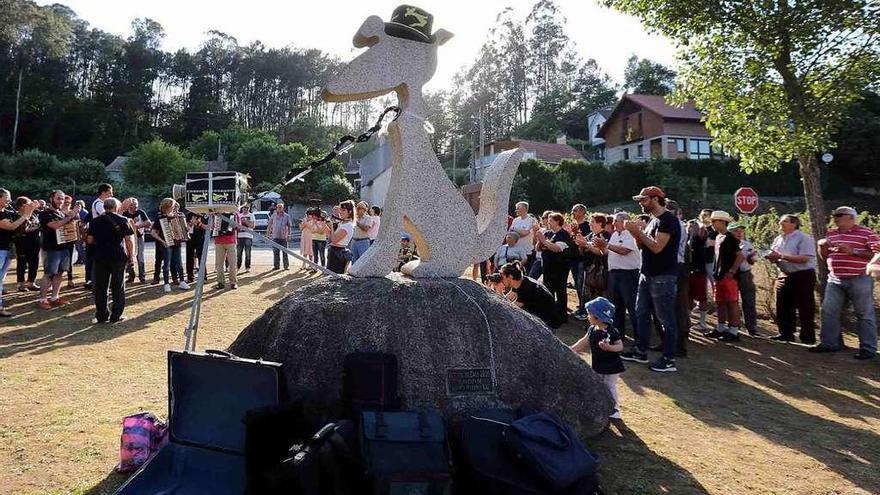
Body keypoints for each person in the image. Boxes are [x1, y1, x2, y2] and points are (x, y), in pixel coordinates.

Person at [621, 186, 681, 373]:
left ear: (655, 199)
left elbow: (657, 248)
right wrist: (635, 233)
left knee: (665, 319)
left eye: (644, 200)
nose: (640, 203)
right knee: (641, 314)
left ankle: (669, 358)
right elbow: (643, 246)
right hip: (647, 274)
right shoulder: (653, 221)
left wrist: (637, 233)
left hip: (663, 275)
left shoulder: (668, 220)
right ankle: (640, 350)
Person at [811, 206, 879, 359]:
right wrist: (821, 247)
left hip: (859, 277)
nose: (836, 217)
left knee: (864, 313)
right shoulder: (831, 233)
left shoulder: (866, 233)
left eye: (840, 215)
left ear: (851, 218)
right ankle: (829, 343)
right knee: (828, 311)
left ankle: (868, 349)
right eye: (834, 215)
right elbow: (825, 257)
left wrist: (853, 251)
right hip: (835, 278)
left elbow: (877, 253)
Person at [570, 297, 625, 419]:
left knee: (610, 386)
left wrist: (609, 348)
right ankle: (599, 404)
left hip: (612, 366)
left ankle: (614, 409)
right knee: (598, 384)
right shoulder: (592, 329)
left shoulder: (611, 332)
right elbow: (583, 342)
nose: (588, 316)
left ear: (598, 317)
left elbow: (620, 346)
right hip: (598, 365)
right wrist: (570, 349)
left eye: (590, 314)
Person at [766, 214, 817, 344]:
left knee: (805, 306)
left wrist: (781, 256)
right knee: (782, 305)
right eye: (780, 221)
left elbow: (805, 258)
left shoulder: (804, 238)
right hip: (784, 274)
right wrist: (772, 257)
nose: (780, 224)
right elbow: (776, 254)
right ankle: (785, 333)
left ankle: (807, 337)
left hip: (802, 275)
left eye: (784, 222)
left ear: (794, 224)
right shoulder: (778, 239)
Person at [594, 212, 640, 341]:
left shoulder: (631, 235)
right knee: (616, 306)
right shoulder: (615, 234)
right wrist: (601, 247)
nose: (613, 223)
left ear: (625, 222)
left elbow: (625, 251)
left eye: (616, 221)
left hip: (628, 275)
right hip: (614, 274)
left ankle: (639, 338)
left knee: (631, 307)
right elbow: (608, 252)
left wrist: (606, 244)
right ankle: (618, 335)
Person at [88, 197, 134, 324]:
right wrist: (131, 256)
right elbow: (128, 240)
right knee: (118, 286)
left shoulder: (95, 221)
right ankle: (116, 315)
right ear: (116, 207)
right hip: (117, 256)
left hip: (100, 256)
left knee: (101, 287)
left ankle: (101, 315)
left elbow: (90, 240)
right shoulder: (122, 220)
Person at [37, 190, 80, 309]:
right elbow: (55, 226)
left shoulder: (61, 213)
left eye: (62, 199)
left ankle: (55, 297)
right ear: (51, 199)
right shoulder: (45, 213)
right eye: (58, 198)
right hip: (52, 249)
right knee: (48, 274)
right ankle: (43, 299)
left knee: (60, 273)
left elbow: (69, 225)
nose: (61, 201)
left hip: (64, 248)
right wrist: (70, 216)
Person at [705, 211, 744, 342]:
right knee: (720, 302)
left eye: (714, 221)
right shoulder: (718, 237)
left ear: (722, 222)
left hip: (728, 276)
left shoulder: (730, 238)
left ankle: (733, 331)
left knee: (732, 302)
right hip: (719, 274)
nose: (712, 224)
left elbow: (740, 255)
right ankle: (721, 327)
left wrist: (732, 271)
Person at [0, 190, 38, 317]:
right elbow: (11, 227)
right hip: (1, 250)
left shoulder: (7, 212)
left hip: (7, 249)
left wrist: (30, 211)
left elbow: (23, 227)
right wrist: (26, 214)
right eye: (7, 198)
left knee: (1, 279)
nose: (10, 200)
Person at [534, 212, 572, 325]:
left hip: (559, 268)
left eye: (551, 220)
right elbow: (538, 248)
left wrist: (544, 241)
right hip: (547, 267)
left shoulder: (563, 234)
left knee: (560, 292)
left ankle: (561, 316)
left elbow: (557, 249)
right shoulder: (548, 233)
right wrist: (539, 241)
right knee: (548, 291)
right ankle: (550, 314)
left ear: (557, 222)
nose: (548, 222)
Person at [499, 260, 562, 328]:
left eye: (502, 277)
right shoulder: (521, 281)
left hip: (547, 324)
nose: (501, 279)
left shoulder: (527, 289)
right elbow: (506, 300)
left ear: (510, 276)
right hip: (542, 319)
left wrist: (498, 290)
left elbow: (510, 308)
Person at [152, 198, 189, 293]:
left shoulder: (178, 216)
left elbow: (185, 230)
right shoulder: (160, 218)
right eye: (172, 206)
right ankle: (166, 284)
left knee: (179, 263)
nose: (174, 207)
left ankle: (182, 281)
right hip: (166, 243)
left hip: (177, 243)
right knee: (167, 264)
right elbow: (153, 233)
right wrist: (162, 241)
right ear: (167, 207)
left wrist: (187, 228)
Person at [729, 223, 759, 337]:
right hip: (732, 275)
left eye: (741, 231)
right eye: (736, 231)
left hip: (745, 275)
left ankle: (752, 327)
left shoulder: (747, 244)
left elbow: (754, 259)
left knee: (749, 301)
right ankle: (734, 325)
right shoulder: (726, 244)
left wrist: (751, 257)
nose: (739, 233)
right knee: (732, 301)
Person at [84, 183, 114, 291]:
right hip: (99, 237)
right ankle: (95, 284)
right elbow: (108, 216)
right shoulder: (99, 204)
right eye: (110, 192)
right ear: (104, 192)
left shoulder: (100, 203)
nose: (112, 195)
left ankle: (97, 283)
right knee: (98, 261)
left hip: (101, 236)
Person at [13, 196, 41, 292]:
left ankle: (31, 283)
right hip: (22, 243)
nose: (31, 205)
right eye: (28, 203)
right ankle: (21, 284)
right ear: (21, 206)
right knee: (22, 264)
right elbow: (22, 229)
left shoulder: (34, 214)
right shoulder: (16, 216)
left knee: (34, 263)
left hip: (35, 243)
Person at [567, 204, 590, 320]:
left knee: (581, 284)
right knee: (577, 283)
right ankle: (581, 305)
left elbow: (584, 241)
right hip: (572, 259)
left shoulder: (587, 226)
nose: (572, 212)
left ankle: (584, 309)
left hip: (582, 260)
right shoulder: (571, 226)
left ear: (582, 212)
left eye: (575, 210)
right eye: (572, 210)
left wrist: (576, 232)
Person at [687, 219, 711, 331]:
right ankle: (687, 320)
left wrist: (700, 222)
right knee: (689, 297)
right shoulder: (687, 239)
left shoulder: (700, 239)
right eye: (689, 226)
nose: (690, 228)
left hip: (699, 272)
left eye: (693, 227)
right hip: (689, 272)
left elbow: (702, 229)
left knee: (702, 298)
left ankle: (702, 322)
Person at [122, 198, 150, 284]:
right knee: (129, 257)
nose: (136, 206)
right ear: (129, 206)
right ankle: (131, 276)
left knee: (140, 257)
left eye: (136, 204)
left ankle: (142, 277)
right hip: (128, 238)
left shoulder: (140, 212)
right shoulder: (124, 214)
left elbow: (148, 222)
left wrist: (136, 227)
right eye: (133, 204)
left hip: (139, 237)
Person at [213, 211, 240, 290]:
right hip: (219, 241)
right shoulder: (216, 213)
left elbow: (238, 227)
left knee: (233, 263)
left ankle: (233, 282)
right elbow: (212, 226)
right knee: (219, 263)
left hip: (231, 241)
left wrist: (234, 224)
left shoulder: (235, 213)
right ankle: (220, 282)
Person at [328, 200, 355, 274]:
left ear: (349, 212)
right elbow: (330, 236)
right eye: (340, 209)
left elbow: (334, 240)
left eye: (343, 210)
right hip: (334, 251)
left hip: (338, 253)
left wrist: (332, 226)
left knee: (334, 277)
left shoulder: (348, 226)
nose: (340, 212)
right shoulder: (342, 223)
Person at [510, 202, 537, 270]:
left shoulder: (531, 220)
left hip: (527, 251)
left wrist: (515, 229)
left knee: (527, 273)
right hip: (516, 251)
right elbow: (510, 234)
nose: (516, 210)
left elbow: (525, 233)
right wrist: (519, 232)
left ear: (524, 209)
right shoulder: (515, 220)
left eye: (517, 208)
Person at [528, 211, 552, 280]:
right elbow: (534, 244)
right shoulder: (541, 230)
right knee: (531, 279)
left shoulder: (555, 232)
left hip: (549, 261)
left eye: (544, 217)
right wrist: (535, 232)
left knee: (547, 282)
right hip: (538, 259)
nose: (542, 219)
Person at [267, 202, 291, 270]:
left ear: (283, 208)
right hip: (275, 237)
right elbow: (269, 225)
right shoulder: (273, 215)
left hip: (284, 237)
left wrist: (289, 235)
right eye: (278, 207)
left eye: (280, 207)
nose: (279, 208)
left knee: (285, 252)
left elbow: (289, 226)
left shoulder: (287, 216)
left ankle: (286, 266)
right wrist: (268, 234)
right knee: (275, 252)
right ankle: (276, 266)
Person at [185, 212, 207, 283]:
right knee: (189, 257)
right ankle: (190, 277)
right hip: (190, 238)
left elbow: (207, 227)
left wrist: (199, 223)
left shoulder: (204, 214)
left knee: (201, 257)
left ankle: (204, 277)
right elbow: (186, 227)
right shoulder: (188, 215)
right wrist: (190, 224)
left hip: (200, 238)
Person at [237, 204, 255, 273]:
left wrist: (246, 221)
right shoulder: (239, 215)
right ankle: (238, 267)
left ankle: (247, 267)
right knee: (238, 253)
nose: (245, 209)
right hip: (239, 236)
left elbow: (253, 226)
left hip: (248, 236)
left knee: (248, 253)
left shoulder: (251, 215)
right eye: (244, 207)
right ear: (242, 208)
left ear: (249, 208)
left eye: (247, 208)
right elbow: (237, 226)